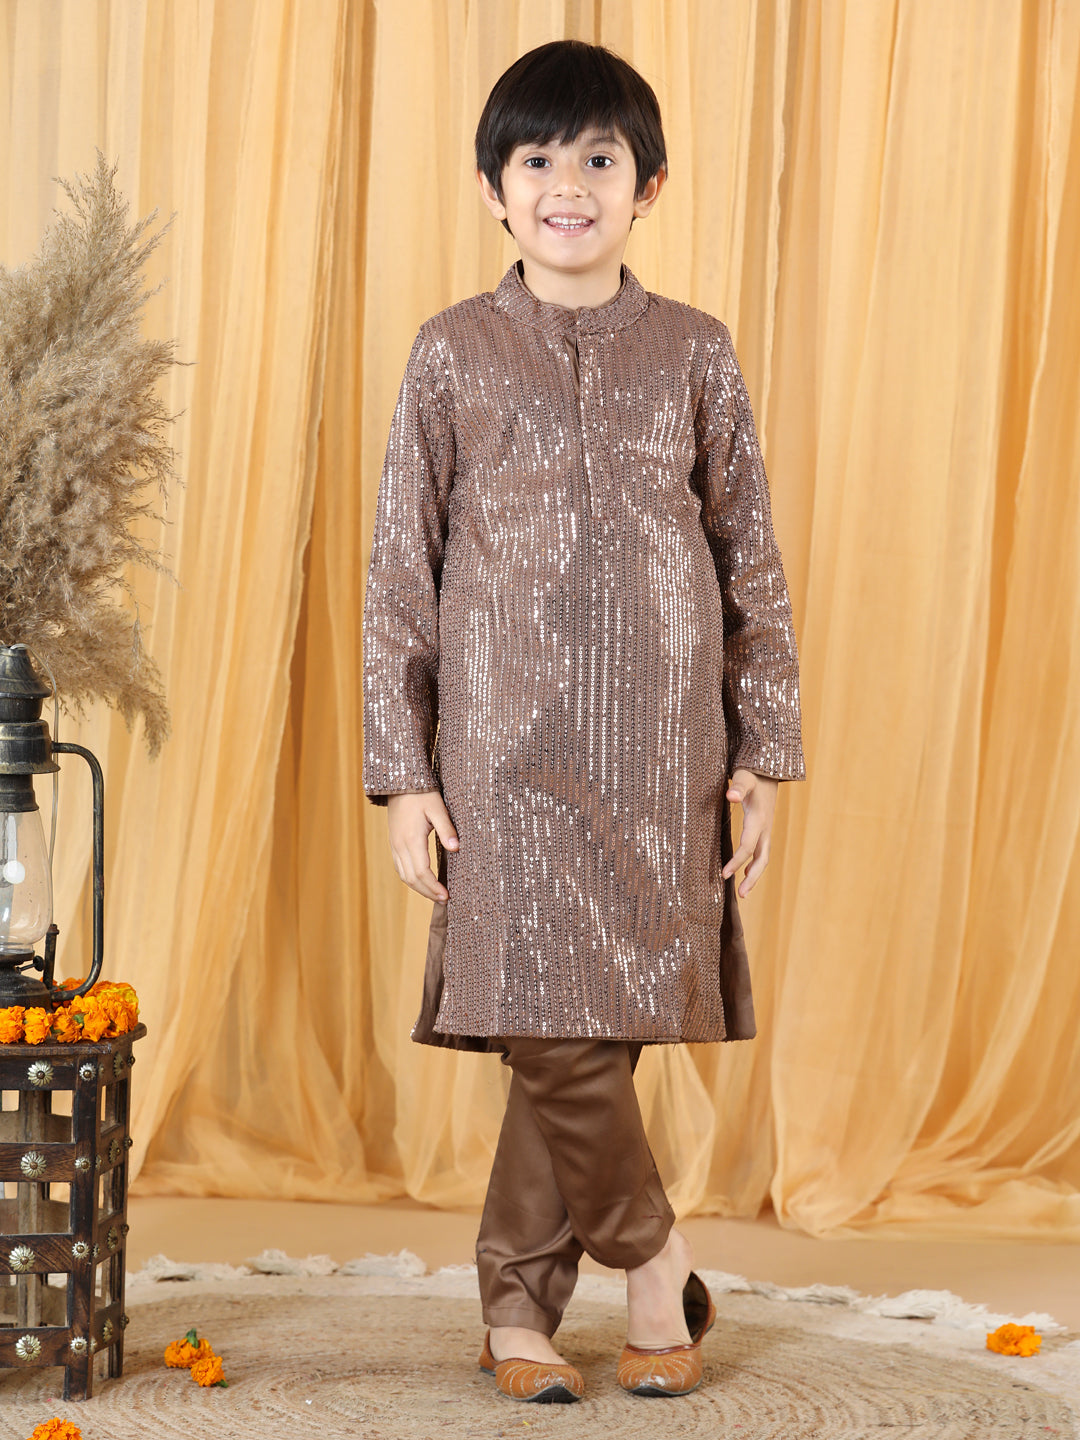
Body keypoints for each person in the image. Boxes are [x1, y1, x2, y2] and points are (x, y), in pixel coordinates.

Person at [362, 38, 805, 1404]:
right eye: (539, 159)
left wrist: (762, 752)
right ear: (493, 188)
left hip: (664, 749)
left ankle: (516, 1312)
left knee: (594, 1031)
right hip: (497, 757)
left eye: (599, 159)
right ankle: (656, 1264)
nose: (569, 185)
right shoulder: (451, 352)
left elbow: (748, 556)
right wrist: (402, 772)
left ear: (647, 185)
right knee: (544, 1018)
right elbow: (401, 572)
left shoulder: (695, 351)